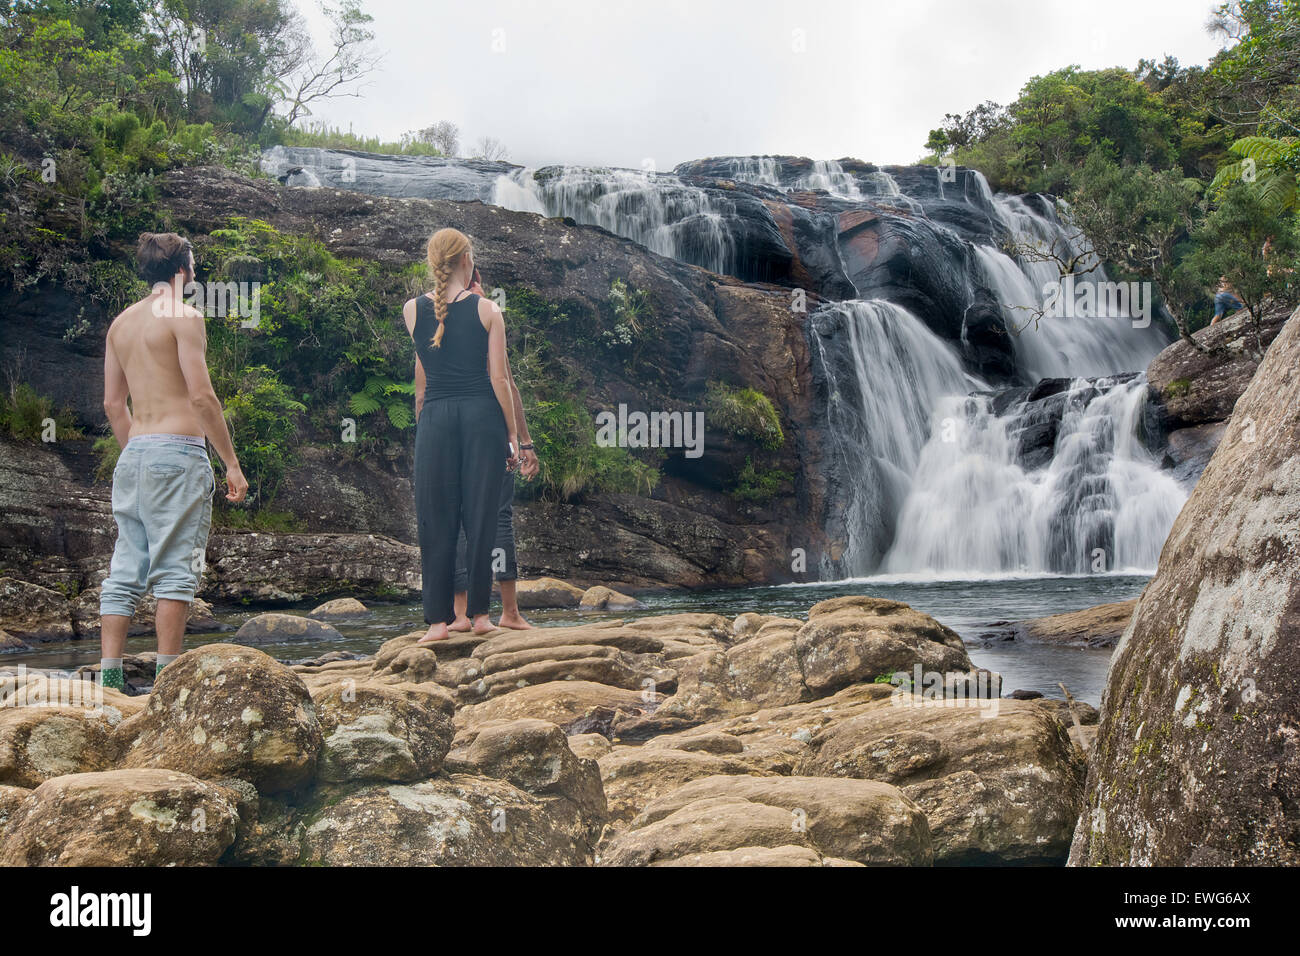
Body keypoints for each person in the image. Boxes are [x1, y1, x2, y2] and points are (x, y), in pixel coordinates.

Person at [99, 233, 248, 690]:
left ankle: (110, 677)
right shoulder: (185, 316)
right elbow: (202, 397)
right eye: (195, 264)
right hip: (179, 451)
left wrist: (137, 451)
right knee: (175, 569)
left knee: (126, 566)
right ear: (181, 269)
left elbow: (112, 405)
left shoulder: (120, 325)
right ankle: (166, 679)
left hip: (136, 453)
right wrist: (231, 463)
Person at [404, 229, 518, 644]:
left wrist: (425, 421)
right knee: (481, 514)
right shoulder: (489, 310)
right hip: (481, 417)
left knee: (435, 517)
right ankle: (480, 616)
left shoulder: (412, 310)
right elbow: (500, 378)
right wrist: (513, 435)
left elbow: (421, 379)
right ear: (467, 259)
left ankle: (437, 623)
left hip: (435, 417)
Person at [448, 271, 539, 631]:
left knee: (455, 519)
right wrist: (522, 441)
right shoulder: (485, 318)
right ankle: (510, 613)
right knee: (498, 516)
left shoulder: (434, 319)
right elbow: (507, 385)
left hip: (448, 431)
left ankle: (459, 615)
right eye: (476, 284)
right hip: (489, 429)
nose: (483, 291)